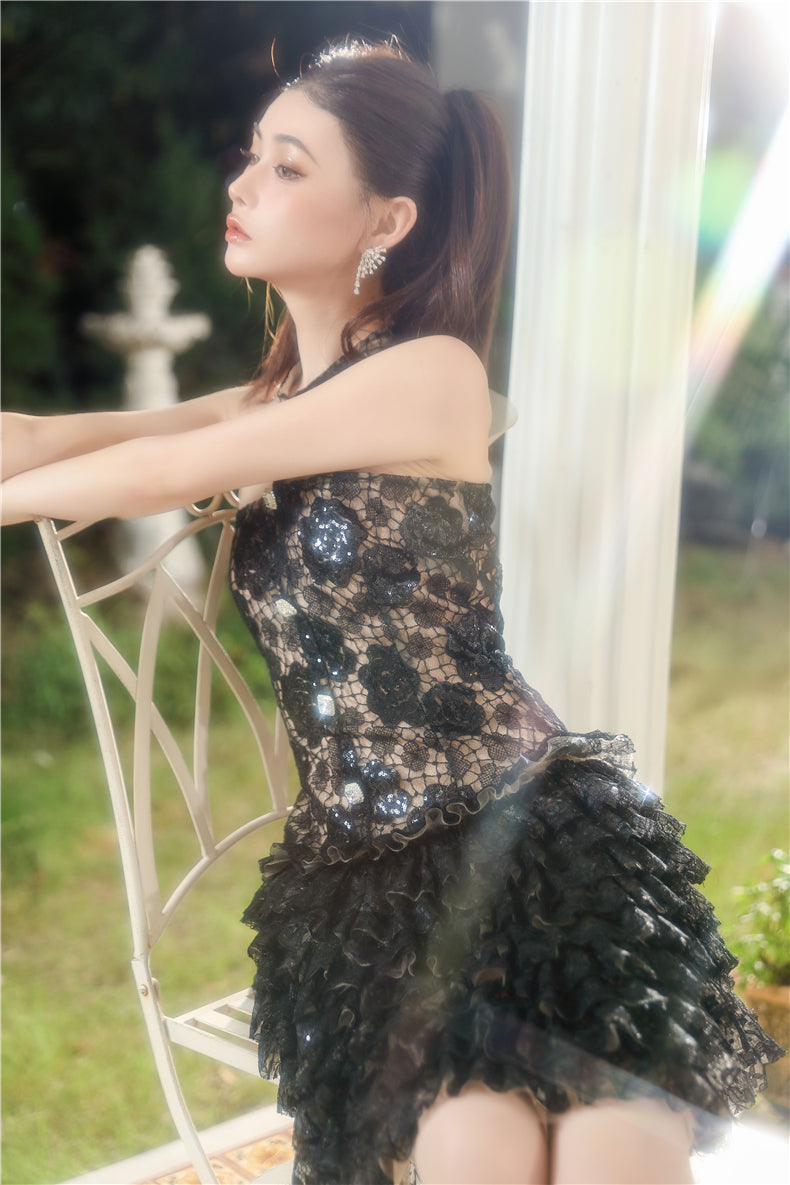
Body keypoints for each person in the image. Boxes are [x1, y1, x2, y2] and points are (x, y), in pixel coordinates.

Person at [1, 39, 782, 1185]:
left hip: (532, 841)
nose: (242, 185)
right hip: (368, 883)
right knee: (477, 1141)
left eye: (288, 166)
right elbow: (45, 438)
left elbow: (157, 472)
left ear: (388, 218)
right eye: (251, 157)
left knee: (611, 1138)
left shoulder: (431, 373)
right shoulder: (280, 398)